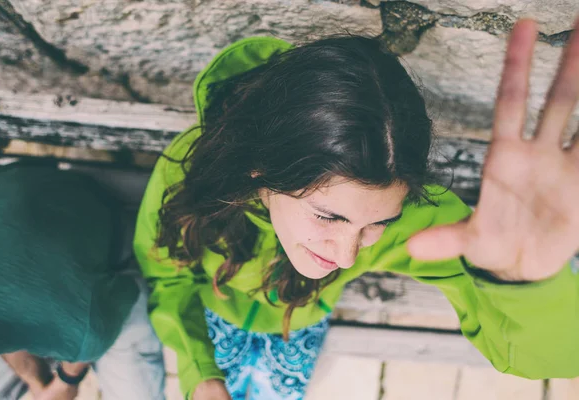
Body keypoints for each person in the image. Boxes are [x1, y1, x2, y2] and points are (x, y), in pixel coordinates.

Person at [134, 18, 579, 400]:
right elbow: (166, 275)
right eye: (328, 216)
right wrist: (199, 373)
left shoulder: (422, 222)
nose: (346, 257)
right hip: (212, 313)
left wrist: (524, 283)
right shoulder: (195, 167)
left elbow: (550, 358)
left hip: (299, 324)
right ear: (258, 168)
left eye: (378, 224)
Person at [0, 163, 166, 400]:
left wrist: (67, 382)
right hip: (37, 189)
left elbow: (119, 299)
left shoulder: (83, 330)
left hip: (110, 254)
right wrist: (36, 383)